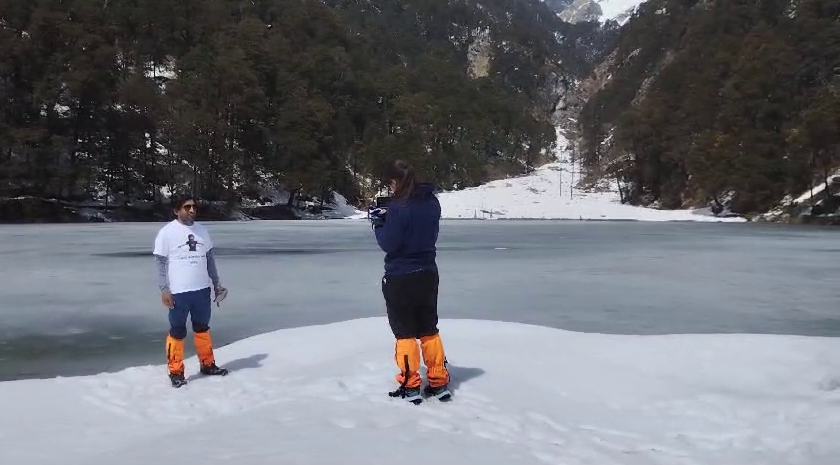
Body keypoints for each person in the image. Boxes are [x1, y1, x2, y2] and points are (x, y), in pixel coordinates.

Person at [372, 160, 451, 404]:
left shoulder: (398, 208)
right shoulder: (432, 203)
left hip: (401, 276)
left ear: (397, 181)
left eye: (391, 182)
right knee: (429, 329)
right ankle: (438, 381)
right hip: (428, 272)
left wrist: (377, 223)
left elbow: (389, 243)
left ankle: (410, 384)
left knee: (405, 333)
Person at [153, 195, 229, 388]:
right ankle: (176, 372)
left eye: (194, 207)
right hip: (179, 292)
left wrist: (216, 283)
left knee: (202, 328)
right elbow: (160, 263)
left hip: (202, 290)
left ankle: (207, 364)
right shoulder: (167, 233)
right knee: (177, 331)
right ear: (176, 210)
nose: (192, 210)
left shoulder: (202, 231)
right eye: (187, 207)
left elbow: (209, 259)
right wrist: (164, 290)